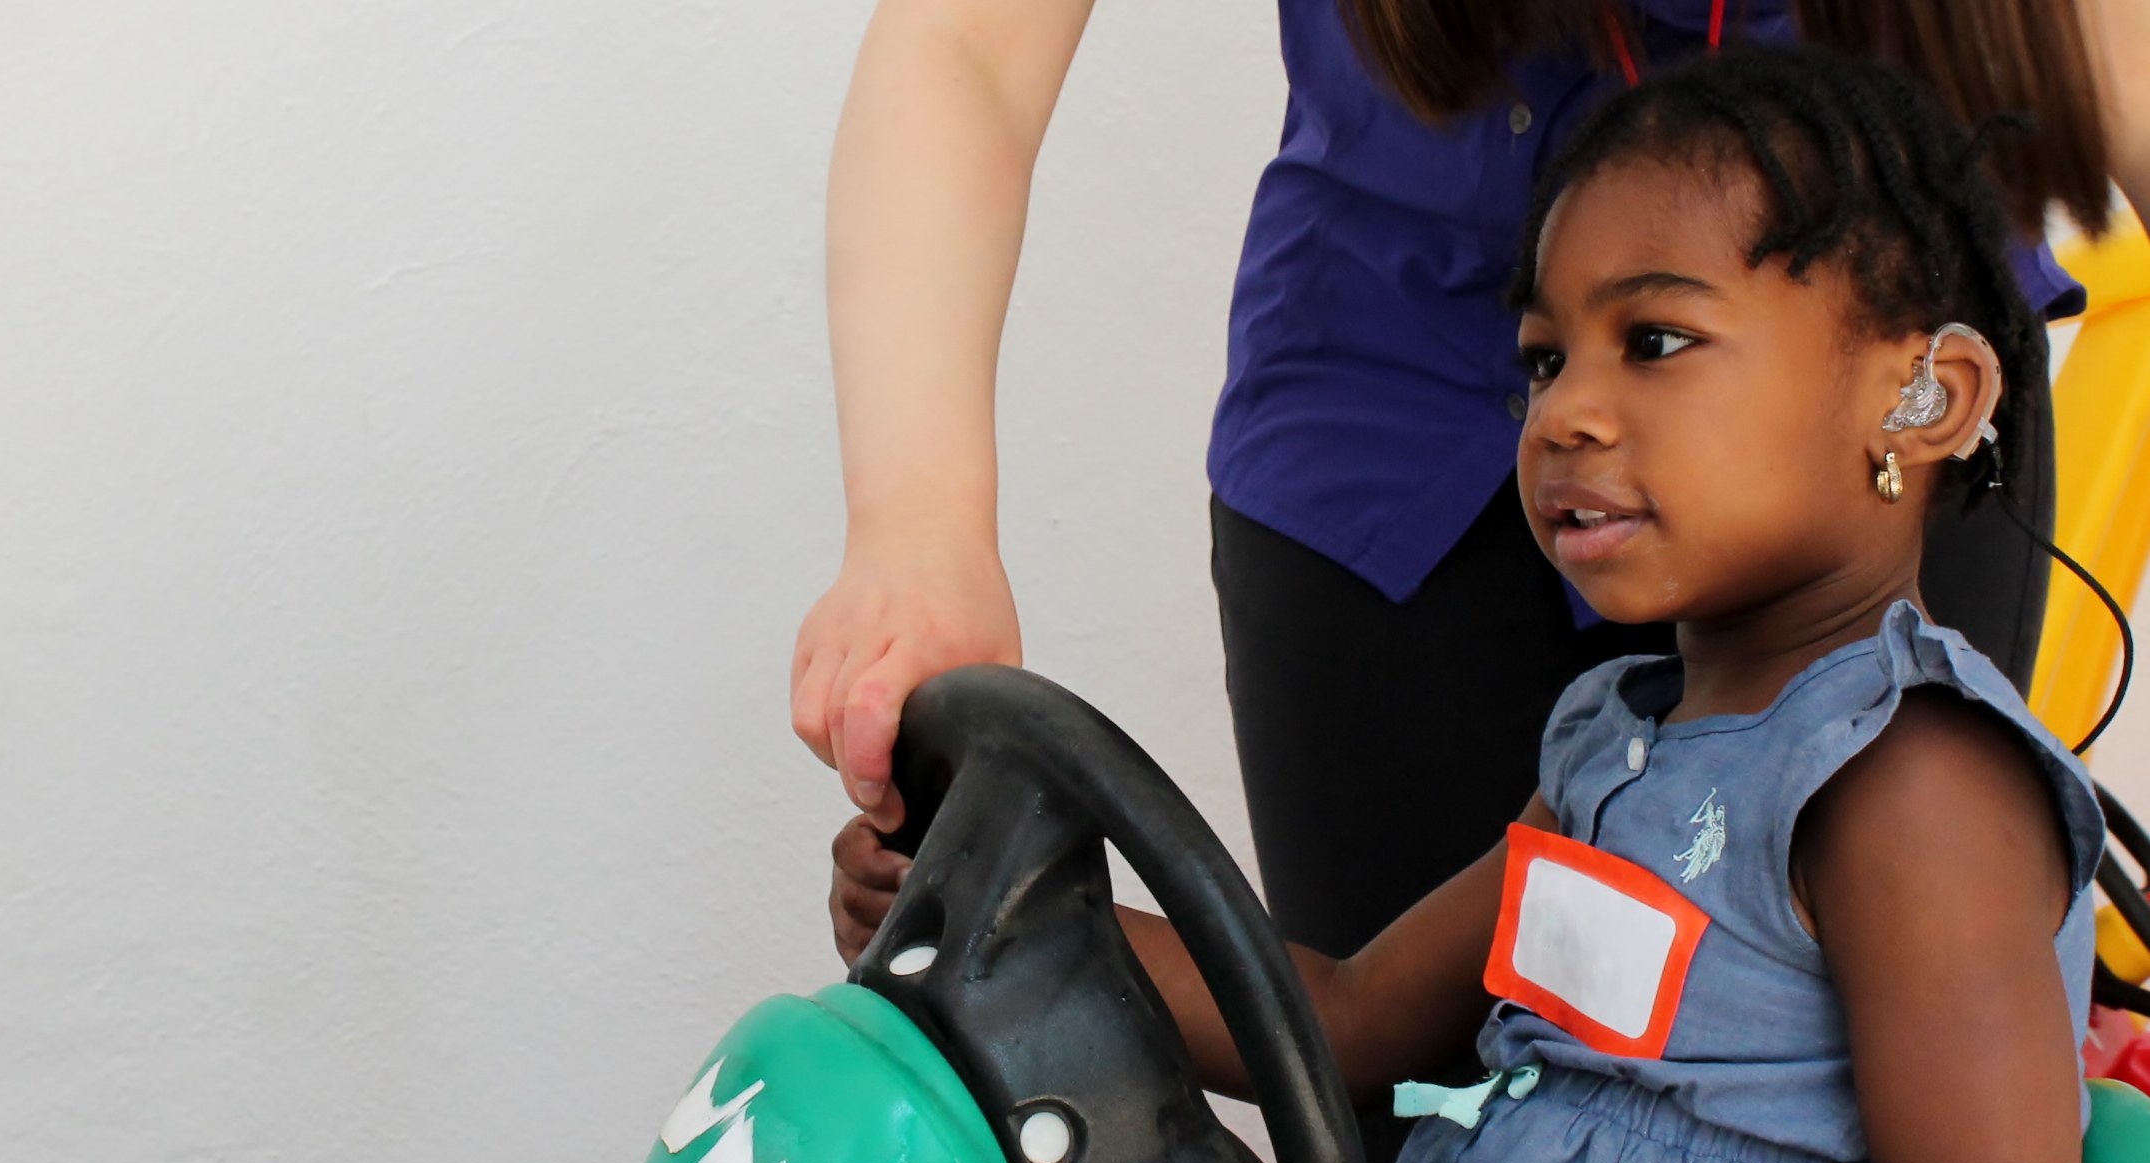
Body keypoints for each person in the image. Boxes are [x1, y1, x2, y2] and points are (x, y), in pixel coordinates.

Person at [834, 46, 2106, 1163]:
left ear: (1923, 402)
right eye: (1545, 359)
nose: (1566, 411)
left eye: (1657, 340)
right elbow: (1344, 1018)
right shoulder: (1616, 758)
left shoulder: (1914, 785)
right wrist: (1006, 931)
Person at [796, 0, 2142, 983]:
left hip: (1864, 445)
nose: (1589, 416)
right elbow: (1363, 1035)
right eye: (1560, 355)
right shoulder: (1579, 773)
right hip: (1395, 446)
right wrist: (920, 535)